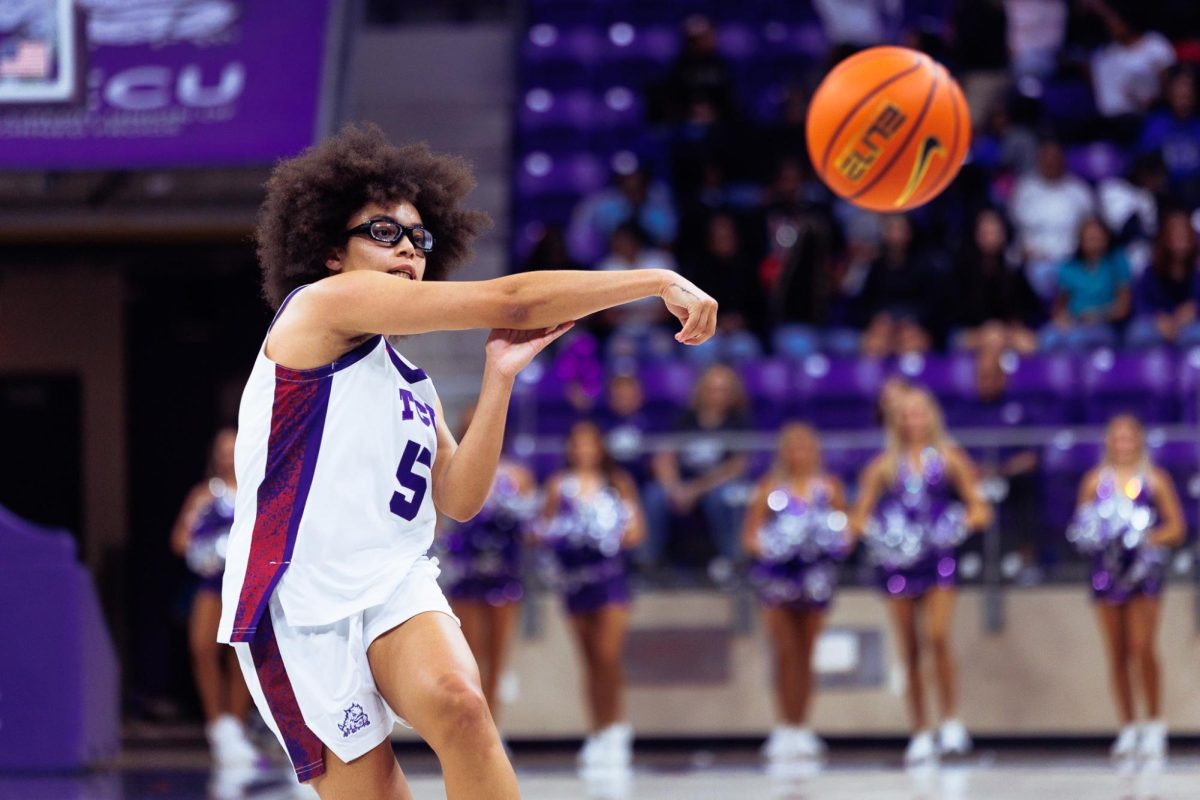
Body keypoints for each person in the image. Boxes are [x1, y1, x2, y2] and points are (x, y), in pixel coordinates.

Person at [216, 123, 717, 799]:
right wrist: (654, 278)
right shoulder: (320, 306)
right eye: (384, 232)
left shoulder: (412, 384)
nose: (407, 250)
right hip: (297, 602)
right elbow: (511, 300)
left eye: (419, 238)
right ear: (331, 251)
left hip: (392, 581)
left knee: (462, 704)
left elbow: (457, 498)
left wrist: (499, 380)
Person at [851, 387, 993, 765]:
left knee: (937, 635)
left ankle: (950, 720)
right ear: (896, 421)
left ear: (932, 417)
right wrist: (878, 534)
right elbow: (859, 516)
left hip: (938, 559)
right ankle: (920, 730)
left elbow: (980, 509)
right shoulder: (882, 465)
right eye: (906, 415)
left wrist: (958, 523)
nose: (913, 422)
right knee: (909, 647)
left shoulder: (950, 458)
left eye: (920, 414)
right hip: (898, 564)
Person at [1070, 415, 1185, 759]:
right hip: (1106, 574)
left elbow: (1176, 527)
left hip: (1142, 574)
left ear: (1139, 441)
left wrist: (1143, 537)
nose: (1123, 444)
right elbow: (1081, 526)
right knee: (1117, 652)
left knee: (1142, 646)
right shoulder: (1094, 482)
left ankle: (1154, 722)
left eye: (1129, 438)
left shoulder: (1155, 480)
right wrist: (1103, 536)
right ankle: (1128, 726)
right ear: (1108, 442)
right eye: (1116, 438)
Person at [537, 422, 646, 769]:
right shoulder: (559, 485)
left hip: (610, 581)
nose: (584, 450)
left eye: (590, 443)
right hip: (575, 582)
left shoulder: (618, 483)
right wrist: (568, 537)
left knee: (607, 655)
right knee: (588, 659)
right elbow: (542, 530)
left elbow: (636, 532)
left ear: (600, 448)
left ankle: (616, 727)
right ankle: (597, 731)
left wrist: (606, 532)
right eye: (577, 444)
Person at [741, 423, 849, 762]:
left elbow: (844, 529)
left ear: (814, 452)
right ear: (783, 453)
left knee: (806, 653)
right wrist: (774, 547)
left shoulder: (829, 488)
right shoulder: (769, 488)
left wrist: (824, 542)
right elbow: (750, 535)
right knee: (784, 652)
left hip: (815, 579)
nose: (798, 454)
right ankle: (784, 726)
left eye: (805, 447)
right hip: (778, 579)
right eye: (792, 448)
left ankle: (802, 726)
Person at [439, 406, 538, 726]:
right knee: (467, 658)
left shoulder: (517, 474)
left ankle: (493, 728)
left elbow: (532, 526)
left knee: (498, 657)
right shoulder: (449, 466)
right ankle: (473, 727)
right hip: (467, 575)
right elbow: (440, 523)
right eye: (468, 427)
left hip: (504, 576)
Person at [170, 428, 259, 767]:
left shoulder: (256, 491)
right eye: (220, 449)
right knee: (203, 648)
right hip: (212, 584)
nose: (226, 455)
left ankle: (237, 726)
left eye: (232, 448)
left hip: (247, 584)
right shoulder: (204, 495)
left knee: (243, 653)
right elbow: (179, 541)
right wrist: (207, 547)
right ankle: (218, 728)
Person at [641, 364, 750, 576]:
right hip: (683, 484)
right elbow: (664, 457)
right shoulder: (685, 418)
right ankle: (646, 562)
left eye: (722, 389)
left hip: (715, 485)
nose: (716, 395)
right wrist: (674, 488)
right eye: (712, 388)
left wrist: (697, 489)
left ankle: (734, 560)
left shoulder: (739, 421)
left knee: (723, 497)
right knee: (654, 495)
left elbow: (737, 467)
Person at [1009, 139, 1096, 299]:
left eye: (1055, 158)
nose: (1050, 163)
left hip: (1071, 262)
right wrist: (1024, 251)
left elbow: (1091, 231)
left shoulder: (1079, 192)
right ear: (1039, 161)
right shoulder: (1024, 190)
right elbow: (1014, 229)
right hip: (1033, 261)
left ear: (1063, 160)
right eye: (1046, 159)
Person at [949, 208, 1043, 354]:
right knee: (993, 339)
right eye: (985, 231)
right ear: (976, 234)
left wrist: (1014, 326)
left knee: (1029, 343)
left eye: (995, 231)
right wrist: (986, 328)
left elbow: (1031, 308)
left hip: (1005, 331)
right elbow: (953, 314)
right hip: (967, 332)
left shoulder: (1012, 269)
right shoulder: (962, 268)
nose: (990, 236)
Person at [1043, 217, 1132, 351]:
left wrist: (1097, 315)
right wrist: (1061, 319)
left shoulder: (1117, 262)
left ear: (1106, 238)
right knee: (1048, 339)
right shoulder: (1070, 267)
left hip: (1106, 325)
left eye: (1097, 237)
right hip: (1074, 323)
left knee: (1076, 340)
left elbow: (1123, 308)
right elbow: (1060, 306)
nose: (1093, 241)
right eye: (1089, 237)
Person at [1127, 209, 1200, 348]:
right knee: (1139, 334)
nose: (1180, 239)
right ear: (1165, 238)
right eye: (1175, 234)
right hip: (1157, 324)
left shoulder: (1197, 272)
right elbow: (1139, 303)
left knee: (1194, 335)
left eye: (1184, 234)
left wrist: (1194, 309)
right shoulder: (1150, 273)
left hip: (1190, 324)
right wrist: (1157, 318)